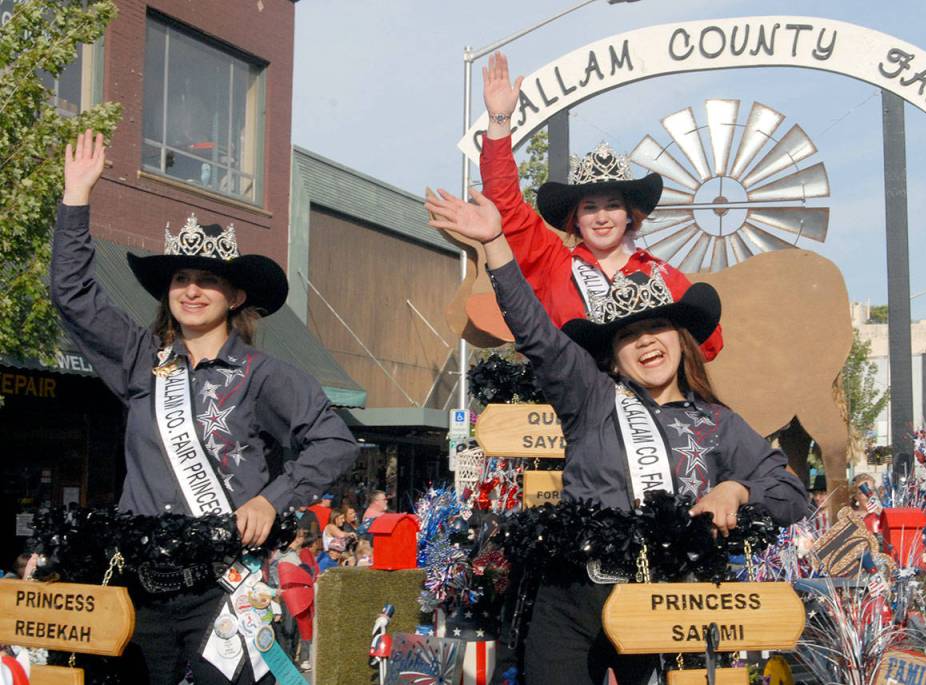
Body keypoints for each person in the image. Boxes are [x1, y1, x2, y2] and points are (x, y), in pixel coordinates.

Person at [425, 187, 807, 685]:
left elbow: (791, 494)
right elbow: (536, 331)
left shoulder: (719, 422)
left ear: (680, 339)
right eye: (628, 335)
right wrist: (496, 243)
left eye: (659, 327)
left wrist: (736, 489)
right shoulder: (591, 398)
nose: (646, 340)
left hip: (668, 605)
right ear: (613, 357)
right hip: (574, 602)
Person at [53, 130, 359, 685]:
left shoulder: (264, 376)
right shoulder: (141, 360)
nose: (191, 290)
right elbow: (74, 296)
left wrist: (273, 499)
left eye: (208, 280)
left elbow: (335, 440)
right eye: (181, 278)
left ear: (235, 296)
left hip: (225, 589)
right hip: (140, 587)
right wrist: (76, 200)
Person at [479, 52, 724, 362]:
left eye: (613, 206)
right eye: (590, 208)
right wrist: (499, 120)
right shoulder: (553, 265)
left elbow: (708, 341)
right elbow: (506, 206)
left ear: (628, 216)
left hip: (644, 406)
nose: (602, 217)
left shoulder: (660, 274)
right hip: (576, 404)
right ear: (576, 220)